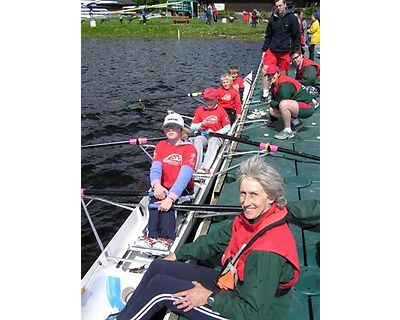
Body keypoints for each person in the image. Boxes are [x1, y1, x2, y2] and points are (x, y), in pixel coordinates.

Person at [115, 155, 300, 320]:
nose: (246, 202)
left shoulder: (267, 251)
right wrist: (178, 254)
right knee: (159, 266)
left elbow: (252, 311)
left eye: (254, 194)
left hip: (248, 310)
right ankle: (125, 315)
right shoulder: (251, 220)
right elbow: (215, 240)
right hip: (236, 287)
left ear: (271, 198)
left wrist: (209, 298)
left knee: (161, 288)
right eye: (243, 193)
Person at [136, 113, 197, 250]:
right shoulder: (161, 145)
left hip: (183, 190)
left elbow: (184, 176)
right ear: (164, 130)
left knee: (166, 203)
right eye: (167, 127)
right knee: (156, 198)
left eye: (174, 127)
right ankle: (151, 235)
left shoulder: (190, 149)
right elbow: (156, 169)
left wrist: (171, 197)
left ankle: (167, 237)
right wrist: (156, 185)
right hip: (164, 187)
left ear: (181, 130)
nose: (170, 129)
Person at [261, 0, 301, 101]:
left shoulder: (292, 18)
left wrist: (295, 51)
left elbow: (296, 36)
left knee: (282, 75)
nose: (278, 8)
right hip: (273, 50)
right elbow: (268, 36)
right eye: (276, 6)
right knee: (265, 70)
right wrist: (264, 50)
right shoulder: (273, 18)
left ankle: (281, 93)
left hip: (285, 51)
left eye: (280, 5)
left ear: (285, 5)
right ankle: (265, 94)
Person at [265, 64, 317, 140]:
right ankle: (296, 123)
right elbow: (275, 100)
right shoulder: (274, 84)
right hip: (296, 105)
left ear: (278, 73)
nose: (271, 77)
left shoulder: (284, 84)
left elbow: (281, 101)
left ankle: (288, 131)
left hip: (307, 106)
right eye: (269, 75)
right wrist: (272, 119)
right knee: (272, 111)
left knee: (283, 105)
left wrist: (272, 103)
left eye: (273, 74)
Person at [190, 87, 231, 174]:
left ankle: (205, 167)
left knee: (213, 141)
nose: (208, 102)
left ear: (216, 99)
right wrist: (201, 124)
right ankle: (195, 167)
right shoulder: (199, 110)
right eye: (206, 100)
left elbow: (228, 127)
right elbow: (192, 127)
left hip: (216, 136)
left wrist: (216, 133)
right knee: (197, 140)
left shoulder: (221, 111)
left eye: (211, 100)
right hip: (204, 135)